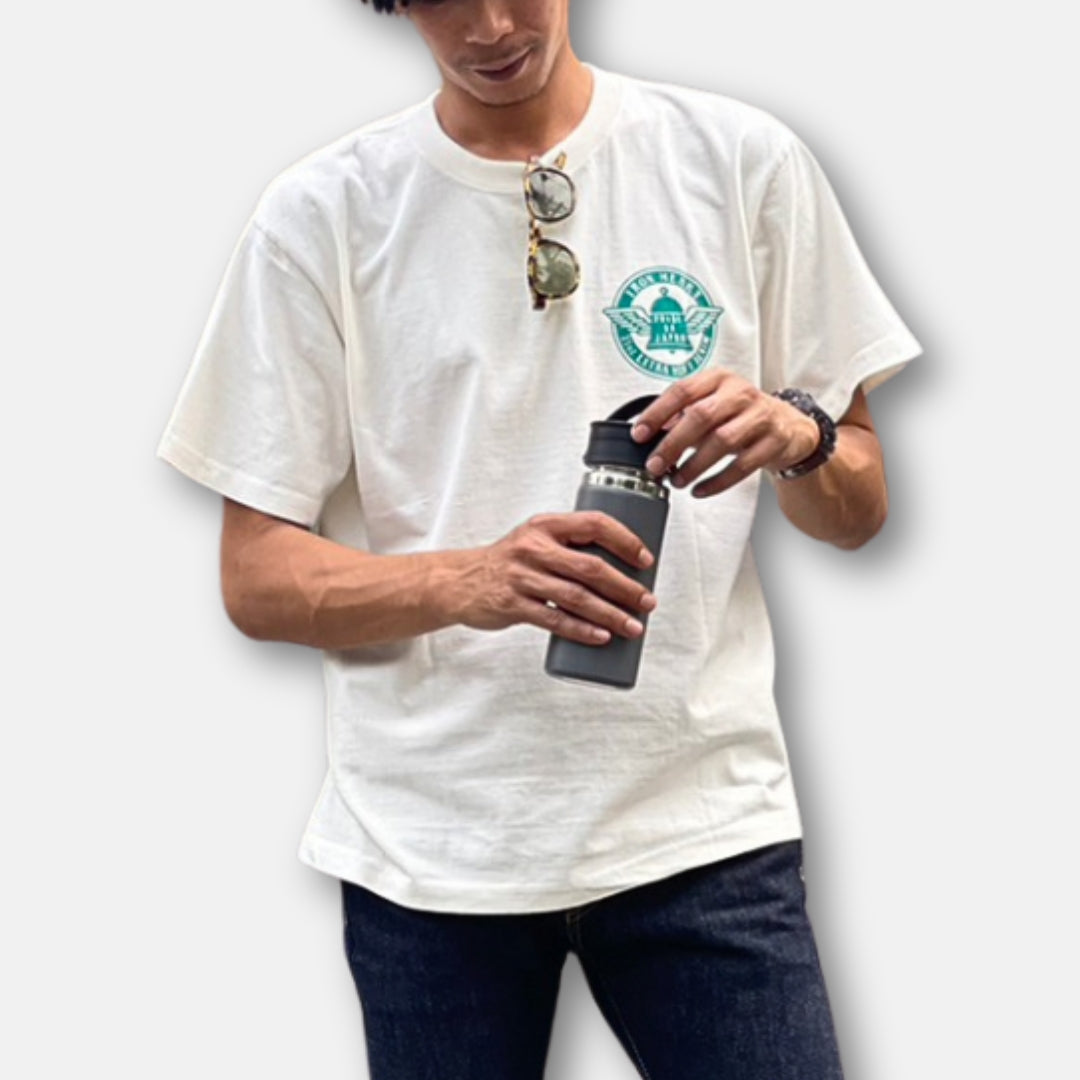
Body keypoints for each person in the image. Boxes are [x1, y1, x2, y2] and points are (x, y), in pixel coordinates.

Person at [158, 1, 921, 1076]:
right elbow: (257, 580)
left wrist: (804, 438)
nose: (489, 26)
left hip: (702, 829)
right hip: (432, 857)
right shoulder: (323, 215)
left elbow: (859, 510)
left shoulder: (741, 161)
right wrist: (473, 580)